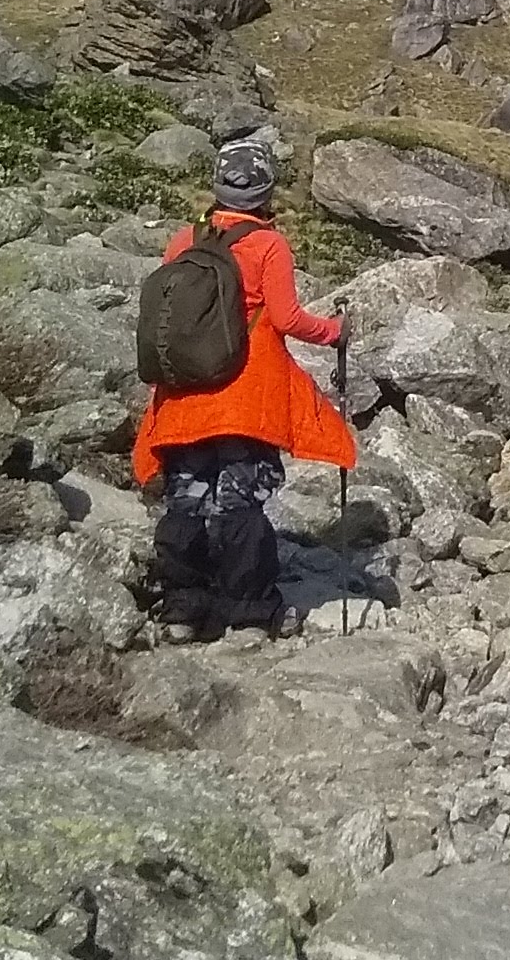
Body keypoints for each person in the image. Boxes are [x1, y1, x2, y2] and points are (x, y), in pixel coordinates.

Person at [133, 138, 355, 638]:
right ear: (266, 191)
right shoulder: (268, 244)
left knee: (186, 499)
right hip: (244, 396)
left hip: (184, 394)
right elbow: (286, 318)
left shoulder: (182, 240)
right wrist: (336, 331)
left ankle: (184, 610)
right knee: (239, 503)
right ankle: (251, 612)